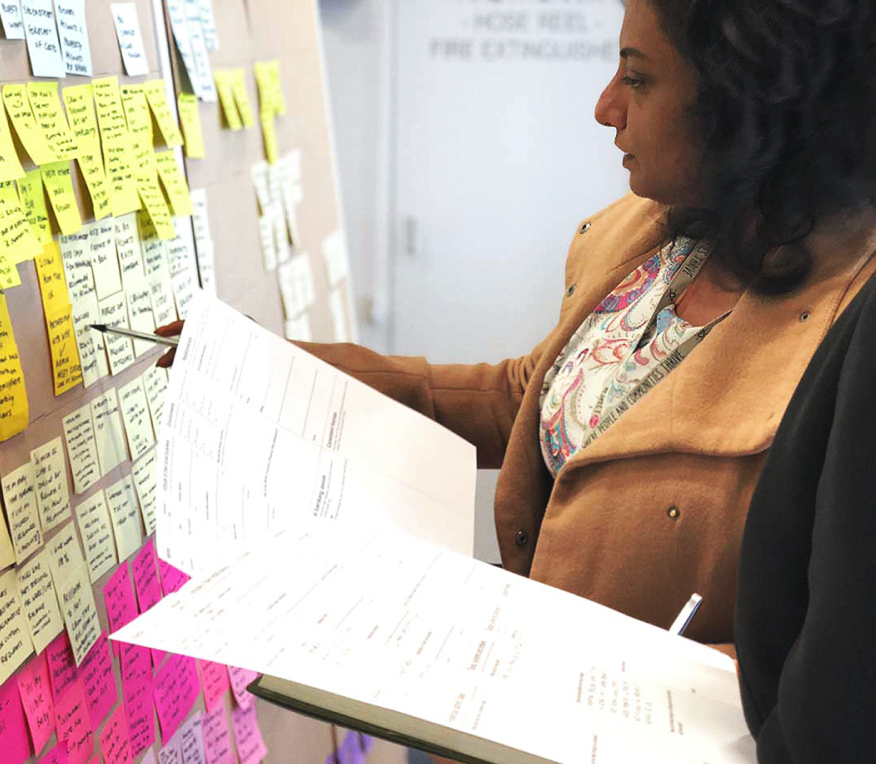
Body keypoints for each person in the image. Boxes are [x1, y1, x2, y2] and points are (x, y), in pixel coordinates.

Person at [159, 0, 876, 692]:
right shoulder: (655, 238)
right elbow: (525, 401)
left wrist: (589, 685)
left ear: (741, 103)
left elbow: (826, 681)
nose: (605, 107)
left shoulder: (852, 327)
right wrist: (276, 368)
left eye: (638, 77)